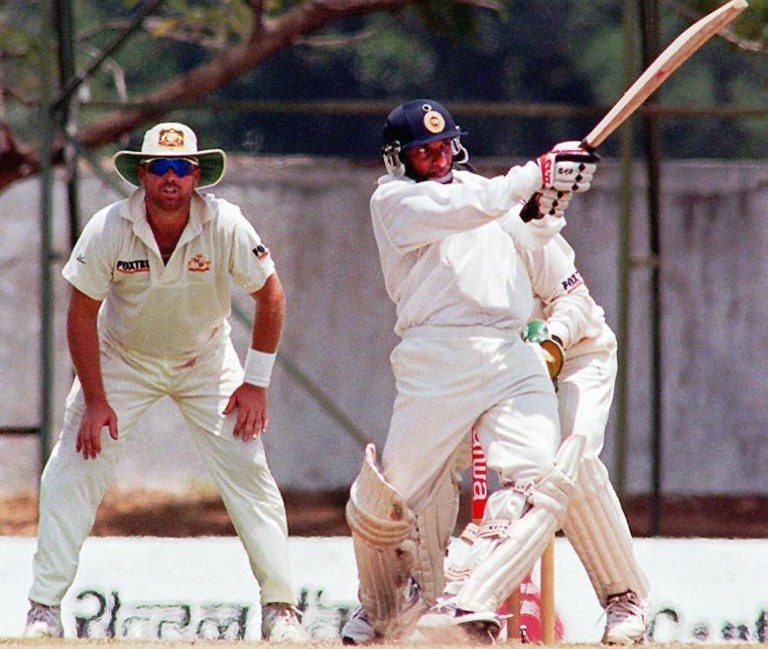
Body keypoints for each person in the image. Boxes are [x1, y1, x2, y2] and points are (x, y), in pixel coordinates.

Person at [22, 122, 309, 642]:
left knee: (249, 471)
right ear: (143, 175)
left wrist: (256, 384)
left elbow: (271, 296)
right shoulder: (110, 226)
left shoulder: (226, 223)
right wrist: (95, 399)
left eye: (181, 168)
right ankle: (43, 609)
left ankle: (281, 609)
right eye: (159, 168)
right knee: (71, 469)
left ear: (197, 175)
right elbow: (81, 313)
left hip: (206, 361)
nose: (170, 178)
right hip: (122, 360)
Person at [342, 99, 599, 644]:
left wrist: (545, 207)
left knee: (538, 481)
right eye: (424, 152)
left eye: (444, 147)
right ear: (399, 159)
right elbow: (473, 206)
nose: (438, 159)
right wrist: (537, 173)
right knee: (388, 505)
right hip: (436, 358)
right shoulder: (393, 202)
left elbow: (528, 236)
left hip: (511, 352)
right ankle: (380, 609)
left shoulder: (484, 193)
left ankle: (475, 594)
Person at [519, 234, 650, 644]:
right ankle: (402, 601)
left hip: (577, 352)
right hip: (510, 369)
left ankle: (624, 596)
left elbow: (574, 301)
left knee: (570, 459)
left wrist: (552, 340)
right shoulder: (433, 239)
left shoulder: (517, 227)